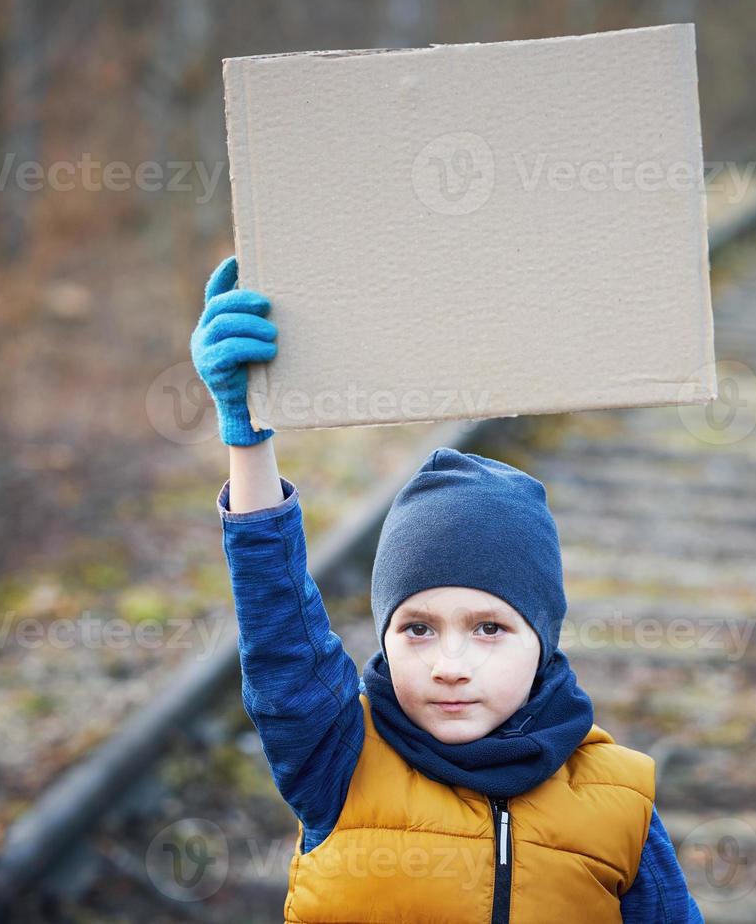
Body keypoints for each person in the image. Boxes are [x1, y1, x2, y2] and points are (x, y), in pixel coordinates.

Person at [193, 255, 705, 921]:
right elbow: (280, 636)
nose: (450, 666)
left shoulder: (621, 802)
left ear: (543, 641)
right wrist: (247, 438)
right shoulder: (339, 761)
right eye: (417, 628)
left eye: (489, 628)